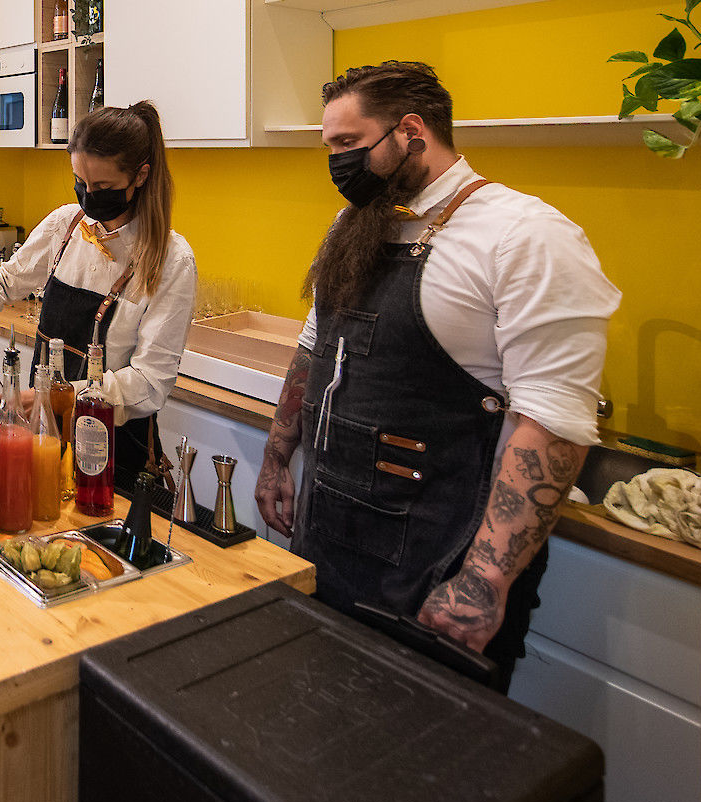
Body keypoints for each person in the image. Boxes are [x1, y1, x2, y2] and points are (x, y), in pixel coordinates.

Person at [253, 61, 619, 689]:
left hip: (438, 563)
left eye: (348, 143)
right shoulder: (354, 227)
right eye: (330, 147)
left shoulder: (524, 236)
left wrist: (484, 581)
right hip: (330, 536)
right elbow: (316, 350)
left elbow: (553, 420)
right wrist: (276, 457)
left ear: (412, 132)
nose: (337, 162)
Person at [0, 101, 197, 492]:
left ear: (140, 176)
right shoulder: (66, 225)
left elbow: (149, 382)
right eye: (80, 182)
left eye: (102, 187)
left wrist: (58, 397)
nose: (88, 196)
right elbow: (8, 279)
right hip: (42, 439)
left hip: (112, 454)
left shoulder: (171, 260)